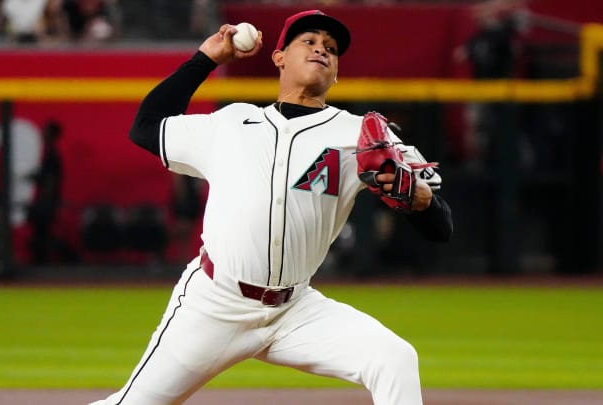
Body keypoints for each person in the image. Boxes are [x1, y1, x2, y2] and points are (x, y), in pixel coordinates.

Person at [91, 9, 452, 405]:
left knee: (394, 358)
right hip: (216, 303)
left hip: (295, 310)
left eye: (330, 48)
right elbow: (144, 127)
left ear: (336, 73)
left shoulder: (362, 134)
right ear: (279, 57)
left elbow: (441, 227)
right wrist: (206, 59)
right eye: (309, 42)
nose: (321, 50)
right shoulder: (231, 124)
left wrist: (420, 200)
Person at [26, 119, 64, 265]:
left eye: (46, 131)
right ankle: (40, 260)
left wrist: (45, 204)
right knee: (40, 233)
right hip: (45, 202)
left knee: (43, 234)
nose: (42, 134)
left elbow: (50, 181)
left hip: (46, 203)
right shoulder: (49, 154)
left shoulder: (53, 155)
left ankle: (42, 263)